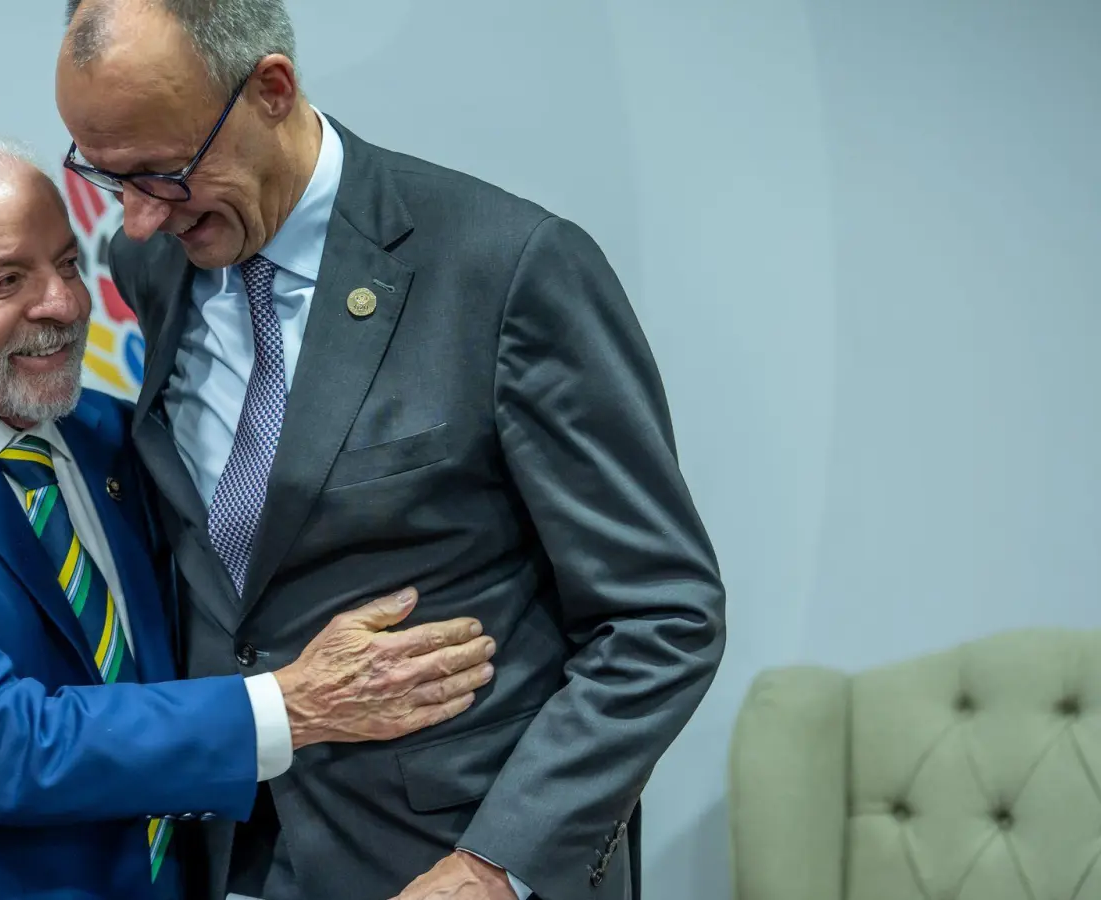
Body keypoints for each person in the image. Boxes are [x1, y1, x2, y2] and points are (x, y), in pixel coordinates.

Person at [54, 2, 729, 899]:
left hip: (445, 858)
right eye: (107, 179)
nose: (136, 221)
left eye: (164, 174)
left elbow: (662, 616)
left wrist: (498, 865)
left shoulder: (505, 268)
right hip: (230, 856)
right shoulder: (159, 260)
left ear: (271, 91)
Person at [0, 135, 498, 900]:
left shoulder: (113, 436)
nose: (64, 306)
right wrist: (293, 704)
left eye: (69, 264)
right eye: (6, 280)